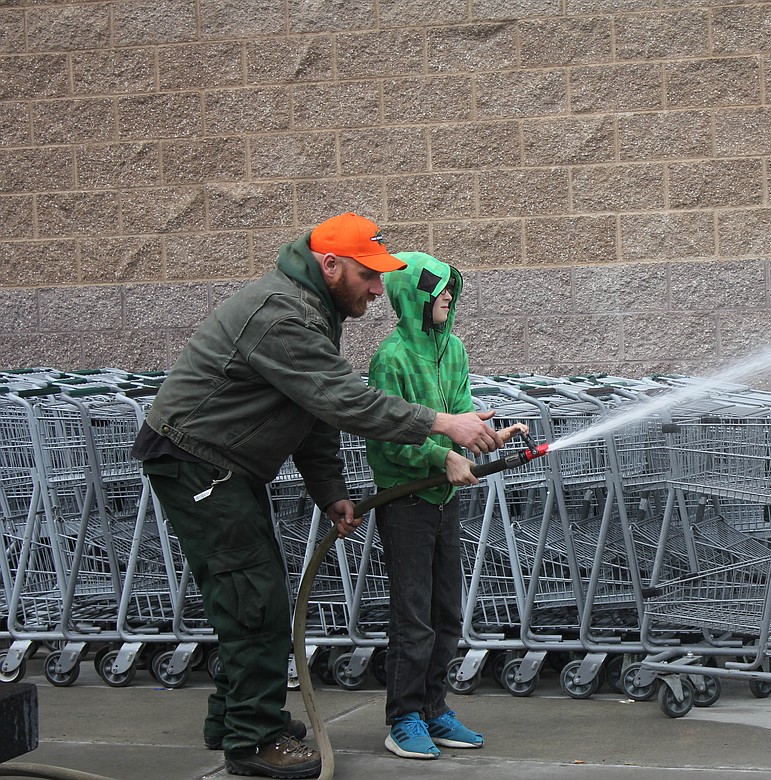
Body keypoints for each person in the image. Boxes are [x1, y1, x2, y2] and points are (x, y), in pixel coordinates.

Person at [131, 213, 504, 779]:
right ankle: (253, 741)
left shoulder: (313, 311)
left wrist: (329, 489)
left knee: (251, 591)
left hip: (225, 465)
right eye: (368, 276)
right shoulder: (281, 314)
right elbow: (344, 401)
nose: (379, 291)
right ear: (330, 265)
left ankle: (234, 718)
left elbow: (311, 410)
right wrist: (441, 424)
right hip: (197, 462)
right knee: (252, 595)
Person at [366, 252, 526, 760]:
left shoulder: (453, 348)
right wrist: (440, 454)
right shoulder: (390, 359)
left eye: (451, 289)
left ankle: (435, 710)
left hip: (443, 500)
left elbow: (456, 416)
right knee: (413, 617)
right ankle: (404, 718)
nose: (450, 298)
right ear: (414, 297)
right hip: (407, 503)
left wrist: (485, 437)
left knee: (446, 613)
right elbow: (387, 438)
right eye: (440, 291)